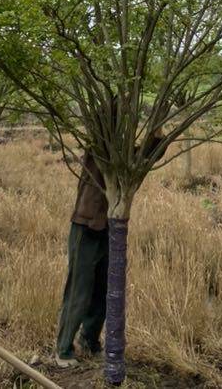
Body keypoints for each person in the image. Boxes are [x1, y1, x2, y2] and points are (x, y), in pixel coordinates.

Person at [55, 127, 165, 367]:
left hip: (109, 228)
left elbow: (143, 158)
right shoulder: (100, 143)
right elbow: (118, 155)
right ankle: (63, 349)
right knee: (78, 290)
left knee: (103, 290)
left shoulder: (121, 150)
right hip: (85, 225)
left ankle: (90, 340)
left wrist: (156, 137)